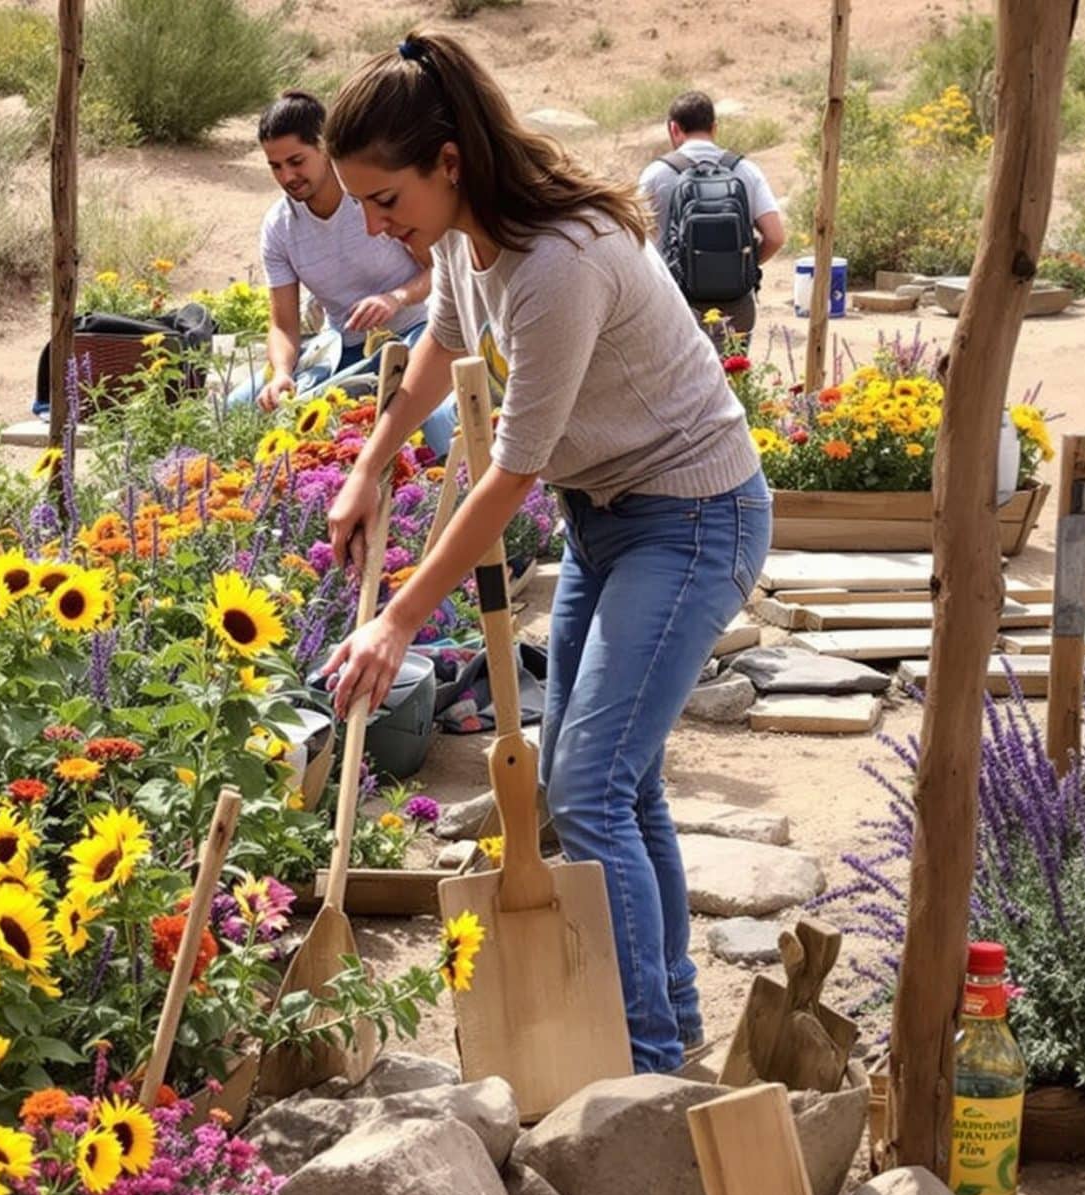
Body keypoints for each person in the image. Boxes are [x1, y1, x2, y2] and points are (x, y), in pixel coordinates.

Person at [313, 32, 770, 1074]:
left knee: (587, 787)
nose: (379, 228)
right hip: (612, 515)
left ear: (448, 163)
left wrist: (395, 618)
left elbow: (510, 474)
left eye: (386, 200)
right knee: (621, 780)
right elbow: (437, 344)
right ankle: (673, 1021)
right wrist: (370, 462)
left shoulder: (555, 261)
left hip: (694, 516)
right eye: (364, 205)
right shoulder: (471, 246)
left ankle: (646, 1068)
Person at [237, 89, 456, 462]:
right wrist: (282, 374)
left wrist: (395, 298)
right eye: (275, 167)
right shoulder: (279, 227)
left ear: (324, 147)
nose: (287, 176)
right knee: (236, 408)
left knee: (432, 416)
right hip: (343, 346)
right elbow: (283, 325)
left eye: (296, 161)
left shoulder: (371, 197)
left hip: (414, 329)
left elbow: (443, 271)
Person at [638, 90, 785, 340]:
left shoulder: (655, 175)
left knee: (679, 377)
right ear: (714, 127)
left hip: (676, 303)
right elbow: (775, 237)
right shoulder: (745, 170)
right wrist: (739, 267)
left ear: (674, 129)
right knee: (733, 373)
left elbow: (638, 243)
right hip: (735, 304)